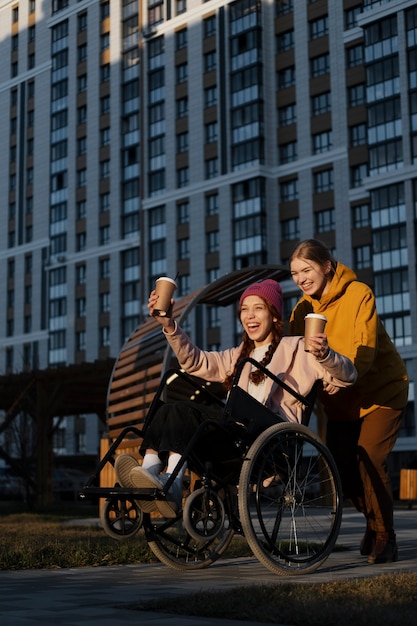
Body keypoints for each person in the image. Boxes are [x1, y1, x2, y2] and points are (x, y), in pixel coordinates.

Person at [115, 278, 357, 518]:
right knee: (167, 408)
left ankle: (171, 482)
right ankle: (150, 471)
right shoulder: (238, 356)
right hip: (234, 438)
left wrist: (325, 355)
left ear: (274, 315)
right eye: (244, 310)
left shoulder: (298, 348)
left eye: (258, 308)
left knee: (184, 410)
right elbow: (195, 361)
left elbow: (348, 376)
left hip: (269, 443)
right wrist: (169, 325)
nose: (250, 316)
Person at [289, 239, 409, 565]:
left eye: (307, 270)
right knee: (340, 468)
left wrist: (342, 373)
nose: (300, 278)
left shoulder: (359, 294)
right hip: (339, 404)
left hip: (380, 392)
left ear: (327, 266)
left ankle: (386, 536)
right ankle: (374, 520)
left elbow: (364, 351)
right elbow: (291, 353)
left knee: (368, 456)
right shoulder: (302, 310)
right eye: (295, 273)